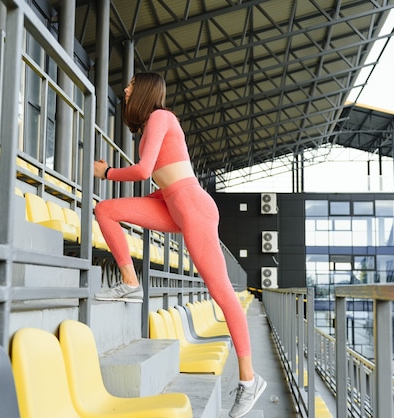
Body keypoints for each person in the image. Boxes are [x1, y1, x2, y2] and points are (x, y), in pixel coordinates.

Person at [92, 72, 266, 418]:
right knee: (106, 210)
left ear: (144, 90)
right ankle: (130, 282)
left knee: (223, 295)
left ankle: (249, 380)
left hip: (193, 209)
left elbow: (143, 171)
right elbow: (164, 175)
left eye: (130, 85)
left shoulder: (161, 116)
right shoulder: (150, 127)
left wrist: (107, 171)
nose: (125, 90)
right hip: (172, 203)